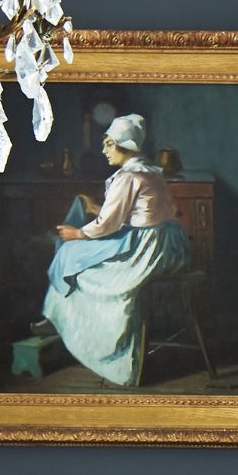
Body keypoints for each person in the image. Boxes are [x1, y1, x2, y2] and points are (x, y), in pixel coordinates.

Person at [37, 114, 190, 384]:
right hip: (167, 244)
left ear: (125, 146)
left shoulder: (128, 176)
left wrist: (78, 233)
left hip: (144, 248)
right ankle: (54, 315)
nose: (104, 150)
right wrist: (96, 208)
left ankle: (58, 317)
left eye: (109, 144)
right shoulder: (150, 172)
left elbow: (108, 224)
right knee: (78, 255)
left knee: (70, 253)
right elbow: (132, 213)